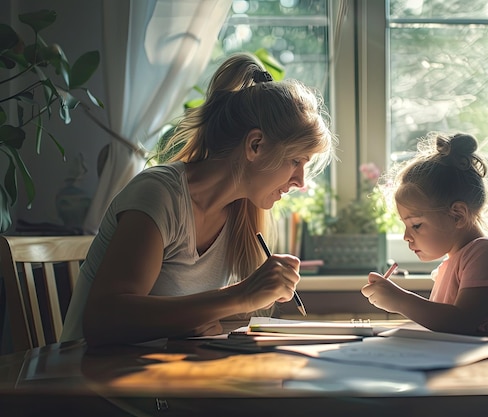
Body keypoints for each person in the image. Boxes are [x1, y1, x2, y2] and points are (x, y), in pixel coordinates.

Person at [60, 53, 336, 347]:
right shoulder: (160, 195)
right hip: (86, 378)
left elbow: (197, 320)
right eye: (295, 161)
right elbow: (102, 321)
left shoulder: (243, 213)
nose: (300, 181)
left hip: (157, 374)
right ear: (255, 145)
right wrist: (240, 295)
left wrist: (205, 318)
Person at [361, 132, 488, 342]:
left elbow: (461, 323)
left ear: (457, 215)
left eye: (416, 225)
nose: (406, 237)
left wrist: (399, 301)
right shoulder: (452, 263)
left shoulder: (485, 252)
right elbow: (443, 330)